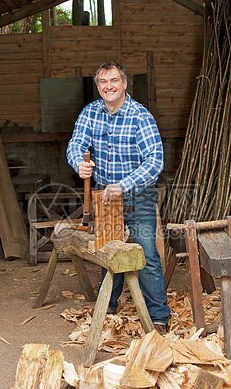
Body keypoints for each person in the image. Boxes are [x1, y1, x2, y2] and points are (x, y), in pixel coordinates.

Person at [66, 61, 170, 334]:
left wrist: (123, 185)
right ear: (98, 86)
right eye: (103, 82)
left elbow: (154, 161)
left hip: (138, 195)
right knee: (109, 251)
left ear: (124, 84)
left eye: (114, 81)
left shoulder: (140, 116)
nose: (108, 86)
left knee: (145, 254)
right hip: (105, 197)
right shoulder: (90, 113)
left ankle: (159, 316)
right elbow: (76, 144)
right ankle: (109, 305)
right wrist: (80, 163)